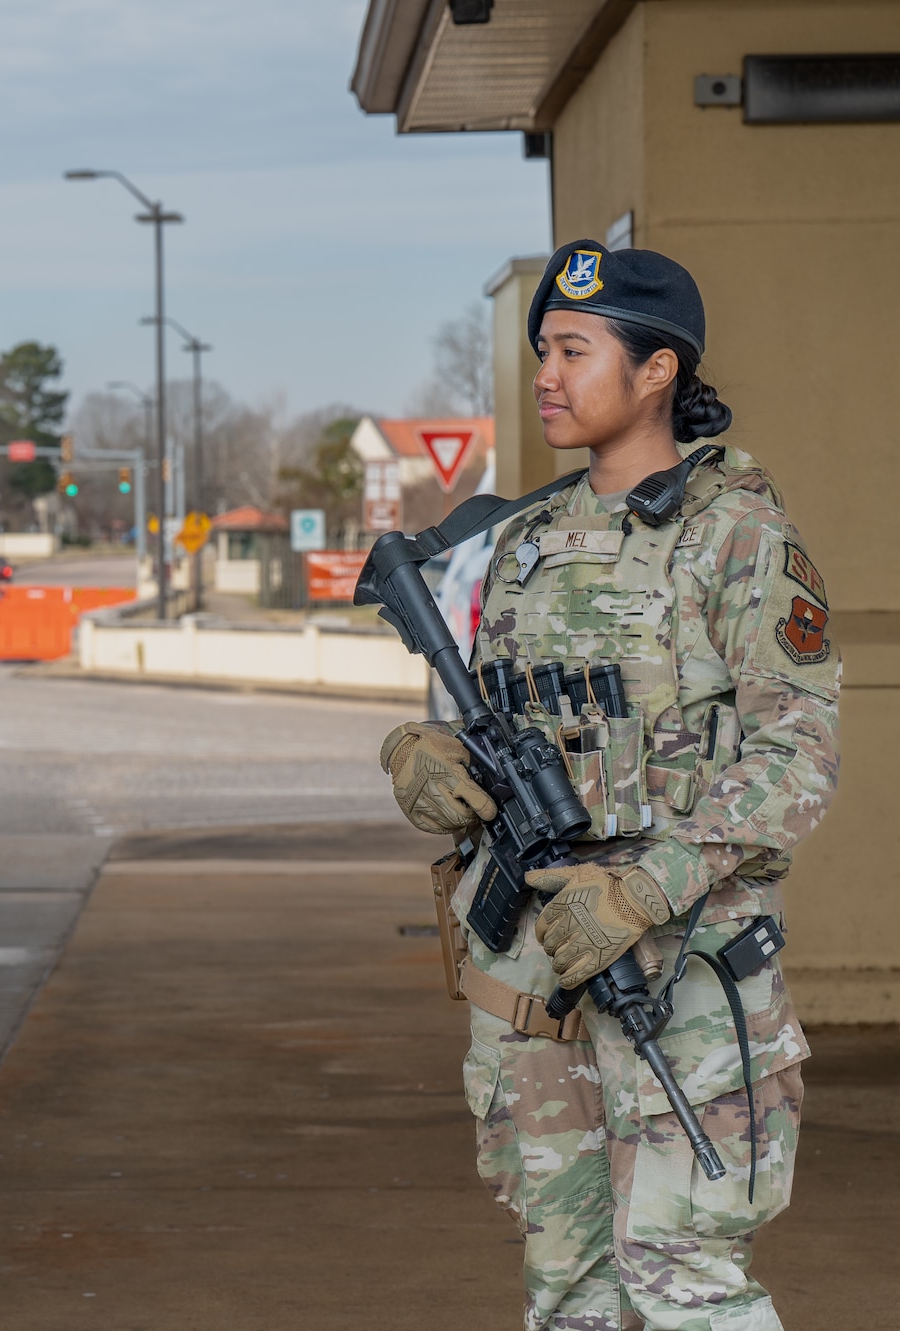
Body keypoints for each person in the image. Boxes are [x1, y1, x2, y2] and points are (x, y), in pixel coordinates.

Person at [379, 241, 841, 1331]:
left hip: (678, 961)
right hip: (532, 965)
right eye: (542, 347)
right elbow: (481, 713)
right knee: (565, 1277)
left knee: (685, 1276)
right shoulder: (516, 542)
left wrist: (646, 884)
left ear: (655, 371)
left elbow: (796, 751)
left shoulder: (735, 535)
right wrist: (419, 752)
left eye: (573, 349)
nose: (544, 370)